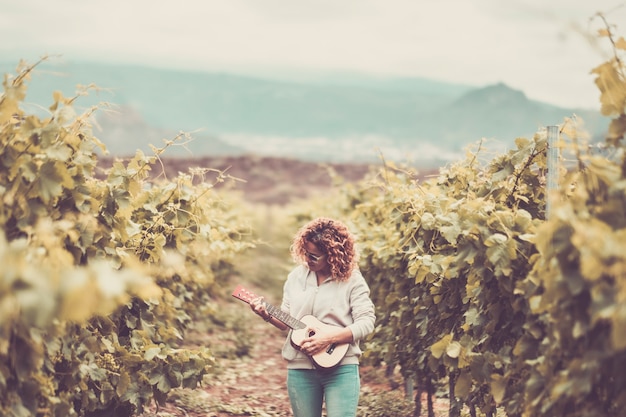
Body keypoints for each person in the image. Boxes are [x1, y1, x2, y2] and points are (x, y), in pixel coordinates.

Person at [250, 217, 376, 417]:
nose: (308, 259)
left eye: (315, 256)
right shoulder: (295, 278)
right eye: (306, 253)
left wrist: (329, 339)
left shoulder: (352, 280)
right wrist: (266, 314)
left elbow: (367, 322)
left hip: (341, 369)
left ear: (333, 255)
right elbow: (286, 322)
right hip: (300, 368)